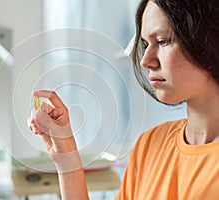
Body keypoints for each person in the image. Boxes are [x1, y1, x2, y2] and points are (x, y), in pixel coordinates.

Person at [28, 0, 219, 199]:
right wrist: (65, 154)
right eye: (145, 44)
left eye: (163, 41)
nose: (146, 60)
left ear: (210, 40)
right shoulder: (151, 144)